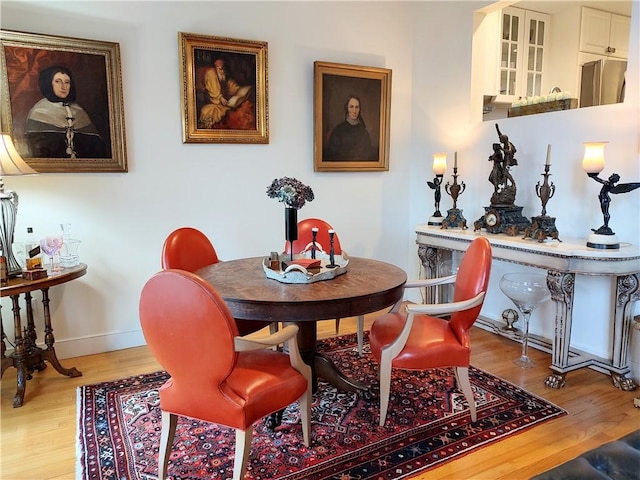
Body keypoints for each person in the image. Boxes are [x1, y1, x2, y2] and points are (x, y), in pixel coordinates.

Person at [24, 65, 106, 158]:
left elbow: (96, 148)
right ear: (48, 83)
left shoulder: (79, 111)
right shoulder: (39, 111)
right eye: (58, 82)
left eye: (67, 82)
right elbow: (37, 150)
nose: (63, 87)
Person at [198, 59, 252, 129]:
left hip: (225, 105)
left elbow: (230, 86)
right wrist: (220, 97)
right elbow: (213, 91)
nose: (223, 71)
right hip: (214, 104)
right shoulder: (211, 74)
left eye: (224, 69)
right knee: (211, 111)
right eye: (220, 69)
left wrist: (240, 90)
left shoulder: (223, 76)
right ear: (215, 68)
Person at [325, 95, 376, 161]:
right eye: (351, 107)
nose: (354, 111)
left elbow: (368, 155)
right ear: (347, 109)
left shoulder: (364, 132)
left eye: (357, 107)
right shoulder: (338, 131)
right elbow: (332, 155)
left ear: (359, 110)